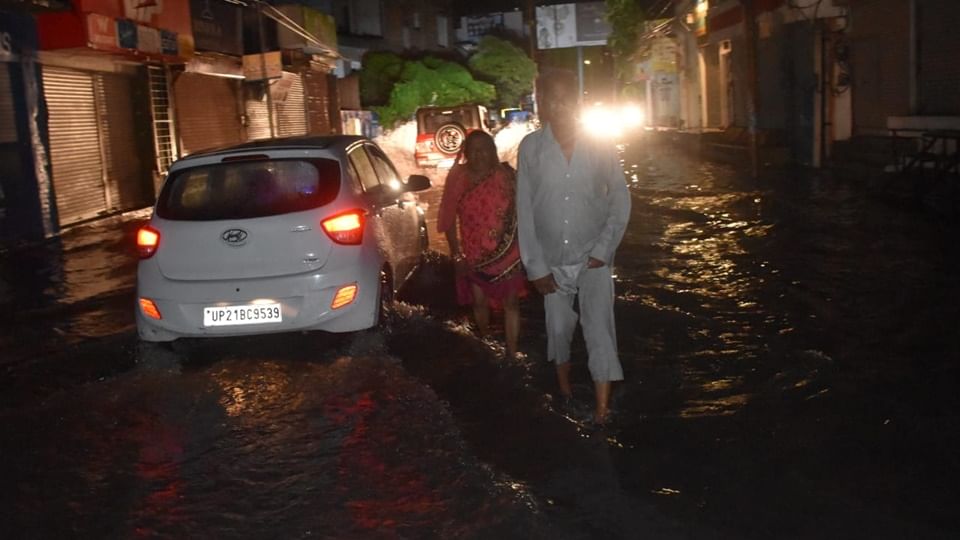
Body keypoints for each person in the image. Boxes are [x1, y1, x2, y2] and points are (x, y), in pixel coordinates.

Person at [516, 70, 632, 425]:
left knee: (599, 330)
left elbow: (620, 198)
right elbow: (525, 208)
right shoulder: (531, 148)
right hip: (551, 262)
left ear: (578, 102)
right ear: (543, 103)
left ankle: (600, 413)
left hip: (593, 259)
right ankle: (565, 394)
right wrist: (535, 268)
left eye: (567, 98)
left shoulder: (599, 146)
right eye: (552, 98)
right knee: (558, 329)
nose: (560, 105)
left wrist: (604, 248)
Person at [438, 130, 527, 359]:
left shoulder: (507, 176)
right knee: (479, 302)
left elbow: (527, 207)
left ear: (493, 151)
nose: (479, 155)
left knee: (512, 302)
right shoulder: (458, 178)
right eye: (474, 150)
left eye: (484, 149)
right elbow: (447, 218)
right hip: (474, 252)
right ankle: (487, 344)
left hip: (508, 251)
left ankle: (512, 352)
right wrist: (456, 254)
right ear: (466, 153)